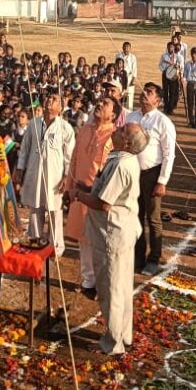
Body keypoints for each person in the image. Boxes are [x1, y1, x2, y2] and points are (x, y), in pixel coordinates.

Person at [70, 122, 148, 356]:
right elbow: (104, 192)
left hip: (112, 234)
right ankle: (123, 334)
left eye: (123, 130)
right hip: (120, 231)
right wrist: (87, 189)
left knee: (111, 289)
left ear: (126, 142)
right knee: (122, 287)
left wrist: (78, 195)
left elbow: (104, 203)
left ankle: (112, 343)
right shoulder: (122, 159)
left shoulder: (122, 164)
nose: (118, 129)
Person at [65, 98, 116, 297]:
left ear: (112, 115)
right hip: (80, 193)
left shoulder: (114, 136)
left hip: (100, 196)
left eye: (106, 104)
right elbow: (75, 157)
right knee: (83, 238)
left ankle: (103, 283)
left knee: (100, 242)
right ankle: (88, 281)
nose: (100, 104)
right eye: (100, 102)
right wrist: (69, 186)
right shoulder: (86, 129)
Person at [15, 94, 75, 255]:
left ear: (60, 107)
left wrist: (66, 176)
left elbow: (70, 156)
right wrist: (20, 169)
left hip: (55, 177)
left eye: (55, 99)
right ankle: (35, 242)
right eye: (48, 98)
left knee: (55, 211)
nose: (50, 100)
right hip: (35, 173)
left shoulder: (65, 128)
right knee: (35, 209)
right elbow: (25, 149)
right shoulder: (34, 124)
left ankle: (56, 248)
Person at [129, 82, 177, 276]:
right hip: (132, 173)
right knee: (135, 216)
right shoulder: (132, 116)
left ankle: (154, 258)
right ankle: (138, 257)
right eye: (144, 91)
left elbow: (169, 154)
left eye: (149, 92)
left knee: (153, 218)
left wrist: (162, 181)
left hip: (152, 174)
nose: (144, 95)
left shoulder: (163, 121)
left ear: (158, 100)